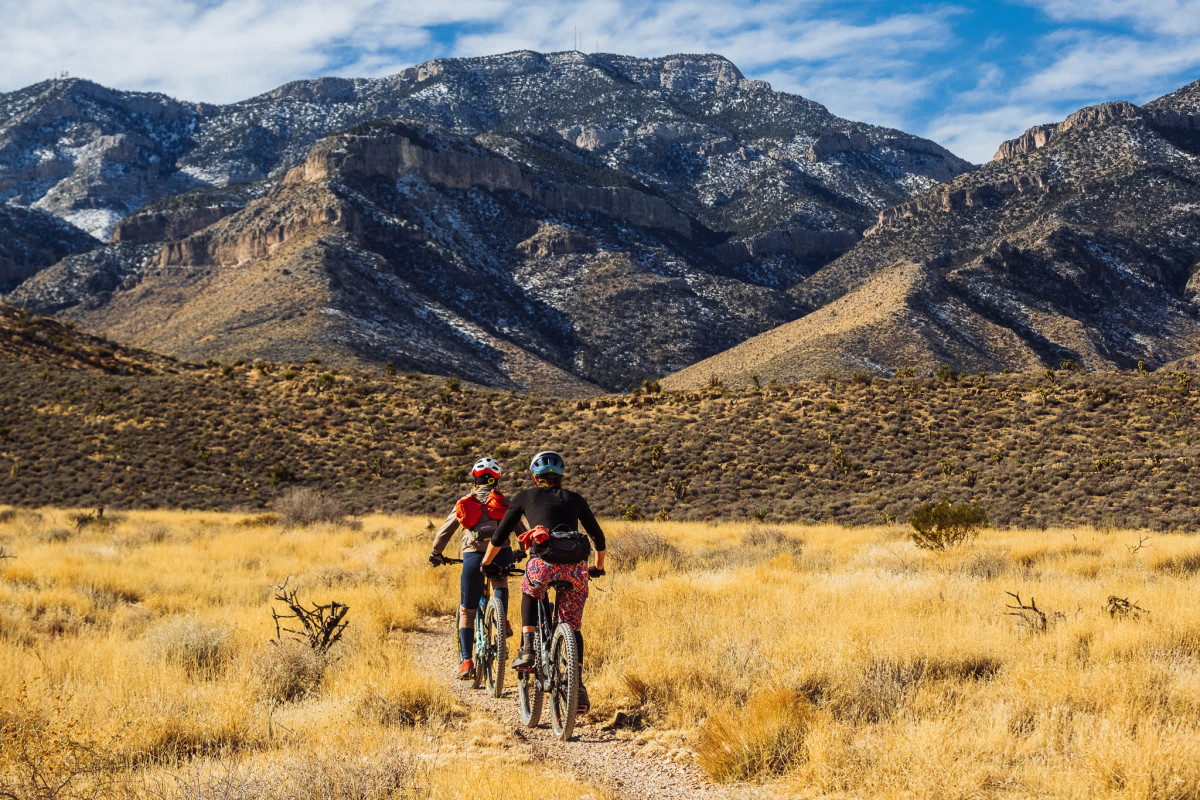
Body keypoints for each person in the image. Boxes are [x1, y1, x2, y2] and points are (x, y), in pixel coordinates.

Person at [480, 450, 606, 713]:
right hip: (575, 569)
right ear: (561, 476)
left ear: (535, 477)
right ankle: (577, 686)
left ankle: (528, 647)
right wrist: (598, 567)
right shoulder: (575, 498)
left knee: (530, 590)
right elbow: (598, 536)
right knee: (573, 627)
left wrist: (487, 562)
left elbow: (501, 533)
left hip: (543, 565)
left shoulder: (525, 496)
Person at [429, 457, 522, 679]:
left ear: (475, 479)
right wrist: (520, 550)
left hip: (473, 555)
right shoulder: (504, 502)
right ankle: (502, 620)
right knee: (500, 580)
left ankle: (466, 661)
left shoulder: (465, 502)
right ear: (496, 480)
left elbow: (444, 532)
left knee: (467, 610)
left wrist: (436, 553)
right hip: (500, 553)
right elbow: (521, 529)